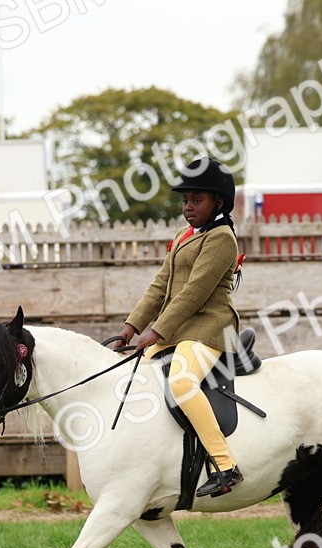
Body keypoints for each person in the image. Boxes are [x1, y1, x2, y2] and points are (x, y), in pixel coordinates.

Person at [114, 158, 244, 497]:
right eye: (185, 200)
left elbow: (193, 294)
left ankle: (225, 465)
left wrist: (156, 331)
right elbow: (160, 287)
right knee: (135, 374)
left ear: (219, 202)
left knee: (183, 382)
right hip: (178, 329)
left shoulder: (222, 238)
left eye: (196, 200)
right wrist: (131, 327)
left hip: (208, 329)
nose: (188, 207)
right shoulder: (184, 235)